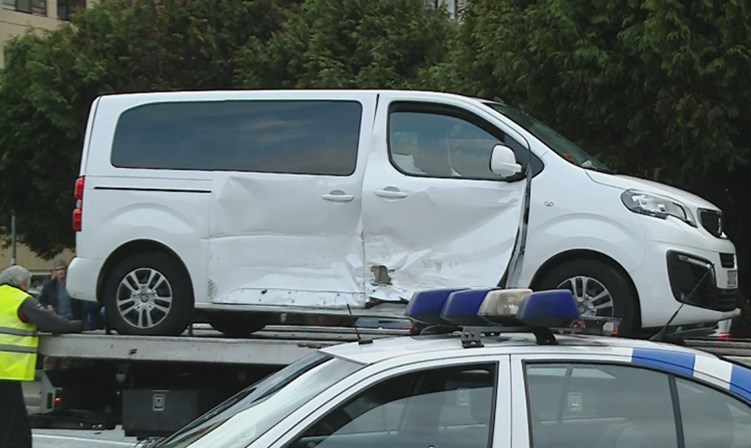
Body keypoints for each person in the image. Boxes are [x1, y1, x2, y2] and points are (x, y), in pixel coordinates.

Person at [0, 265, 83, 448]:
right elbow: (51, 322)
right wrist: (76, 325)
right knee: (14, 425)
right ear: (22, 283)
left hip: (4, 372)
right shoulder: (21, 299)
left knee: (6, 420)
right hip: (6, 370)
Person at [38, 259, 104, 331]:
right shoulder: (49, 286)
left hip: (74, 321)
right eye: (58, 270)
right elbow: (41, 301)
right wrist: (47, 306)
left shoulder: (74, 285)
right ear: (55, 272)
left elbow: (84, 304)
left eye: (62, 269)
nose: (60, 272)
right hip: (58, 320)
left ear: (66, 270)